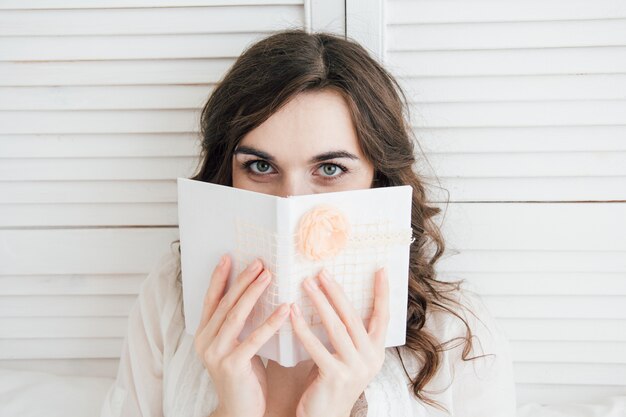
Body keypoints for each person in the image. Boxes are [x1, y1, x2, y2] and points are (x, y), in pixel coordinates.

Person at [100, 29, 517, 417]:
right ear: (227, 173)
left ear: (379, 178)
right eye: (260, 166)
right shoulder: (172, 298)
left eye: (331, 169)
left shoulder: (457, 336)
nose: (290, 203)